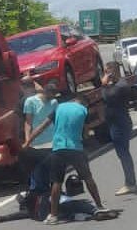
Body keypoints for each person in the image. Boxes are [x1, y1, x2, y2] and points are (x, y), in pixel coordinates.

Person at [24, 93, 109, 225]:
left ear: (73, 100)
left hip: (58, 149)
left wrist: (28, 141)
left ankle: (53, 216)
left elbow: (42, 126)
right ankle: (100, 206)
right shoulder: (83, 110)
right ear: (83, 103)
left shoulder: (59, 107)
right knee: (88, 178)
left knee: (56, 182)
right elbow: (85, 132)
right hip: (75, 148)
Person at [100, 61, 137, 195]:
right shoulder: (117, 85)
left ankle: (130, 183)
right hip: (116, 123)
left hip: (120, 124)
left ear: (112, 72)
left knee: (123, 154)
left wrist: (104, 85)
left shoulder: (121, 86)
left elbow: (106, 96)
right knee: (122, 153)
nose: (104, 74)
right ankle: (130, 182)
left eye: (106, 72)